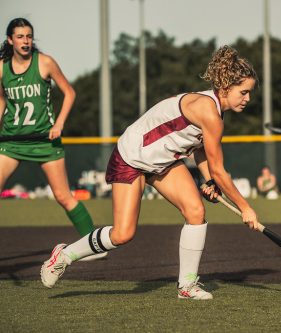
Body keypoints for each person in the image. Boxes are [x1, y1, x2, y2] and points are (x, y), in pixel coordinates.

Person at [40, 45, 260, 300]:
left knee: (196, 212)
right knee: (123, 234)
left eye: (249, 93)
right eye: (243, 92)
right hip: (132, 157)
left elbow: (201, 152)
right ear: (225, 88)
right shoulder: (209, 112)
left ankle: (187, 287)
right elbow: (220, 170)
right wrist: (245, 207)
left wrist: (208, 180)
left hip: (162, 162)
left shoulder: (214, 111)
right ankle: (64, 255)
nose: (247, 98)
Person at [0, 18, 104, 261]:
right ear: (10, 40)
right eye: (20, 37)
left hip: (45, 142)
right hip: (12, 141)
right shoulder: (2, 68)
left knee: (63, 196)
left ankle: (94, 245)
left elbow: (70, 92)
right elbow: (2, 100)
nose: (25, 41)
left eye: (28, 36)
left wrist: (59, 123)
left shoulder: (44, 62)